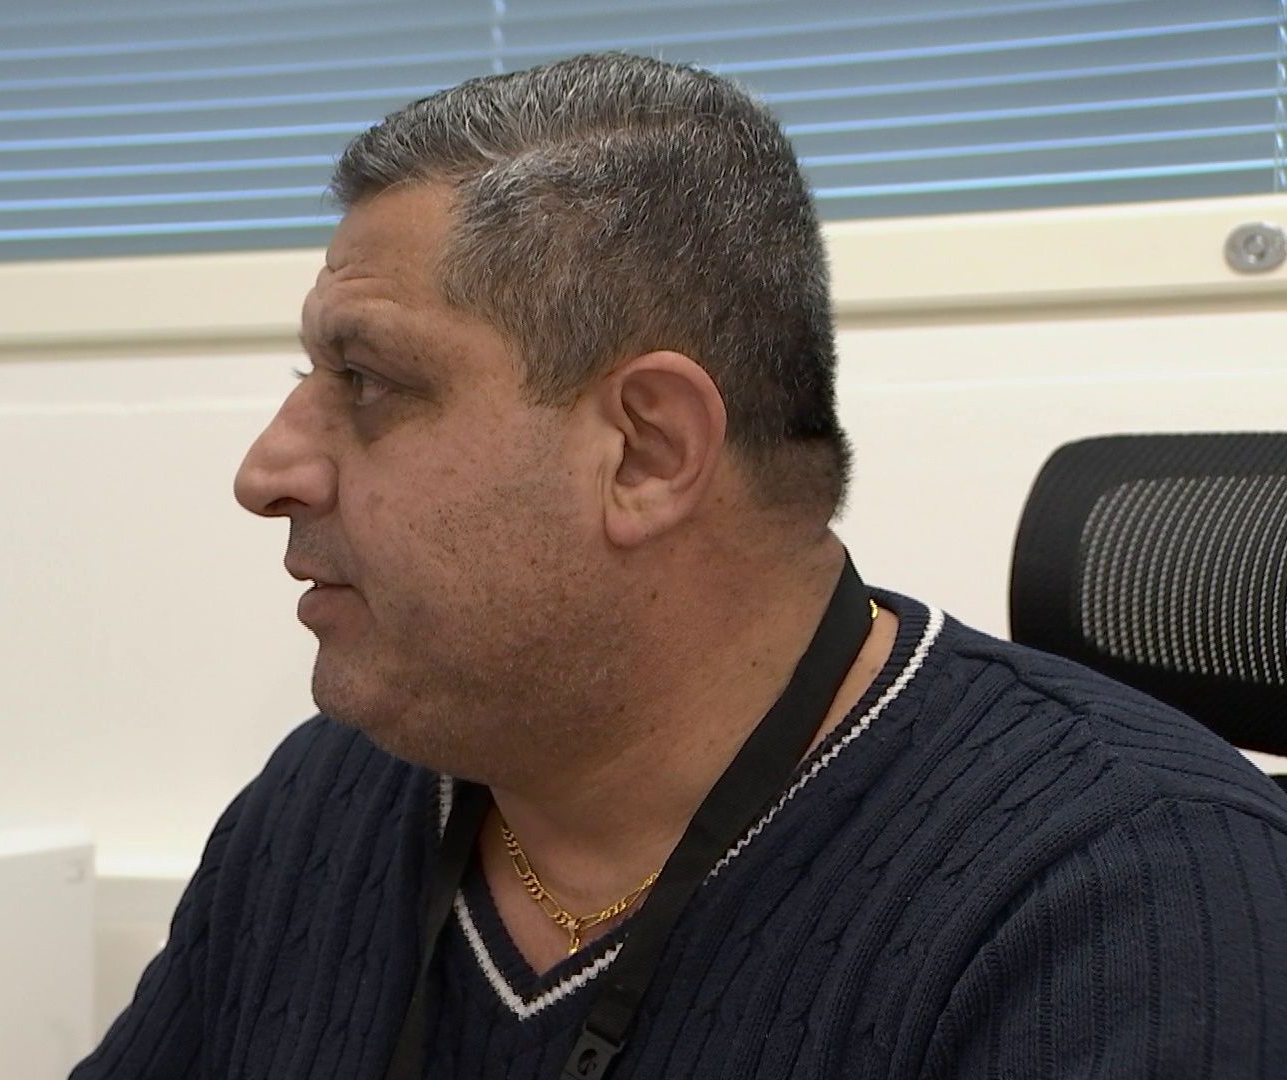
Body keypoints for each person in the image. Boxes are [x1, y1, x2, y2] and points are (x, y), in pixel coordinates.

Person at [72, 52, 1287, 1079]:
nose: (269, 469)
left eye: (369, 382)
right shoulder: (331, 800)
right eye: (308, 377)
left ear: (646, 453)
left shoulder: (1127, 897)